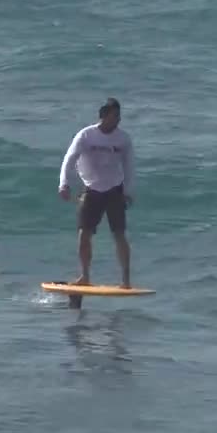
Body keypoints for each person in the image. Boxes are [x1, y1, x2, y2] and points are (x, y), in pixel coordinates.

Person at [58, 98, 135, 304]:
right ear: (104, 115)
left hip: (114, 190)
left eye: (119, 116)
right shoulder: (86, 135)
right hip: (91, 190)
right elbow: (70, 158)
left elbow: (129, 166)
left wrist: (128, 190)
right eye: (114, 116)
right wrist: (64, 184)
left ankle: (126, 280)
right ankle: (85, 276)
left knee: (119, 234)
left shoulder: (123, 139)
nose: (118, 120)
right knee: (84, 233)